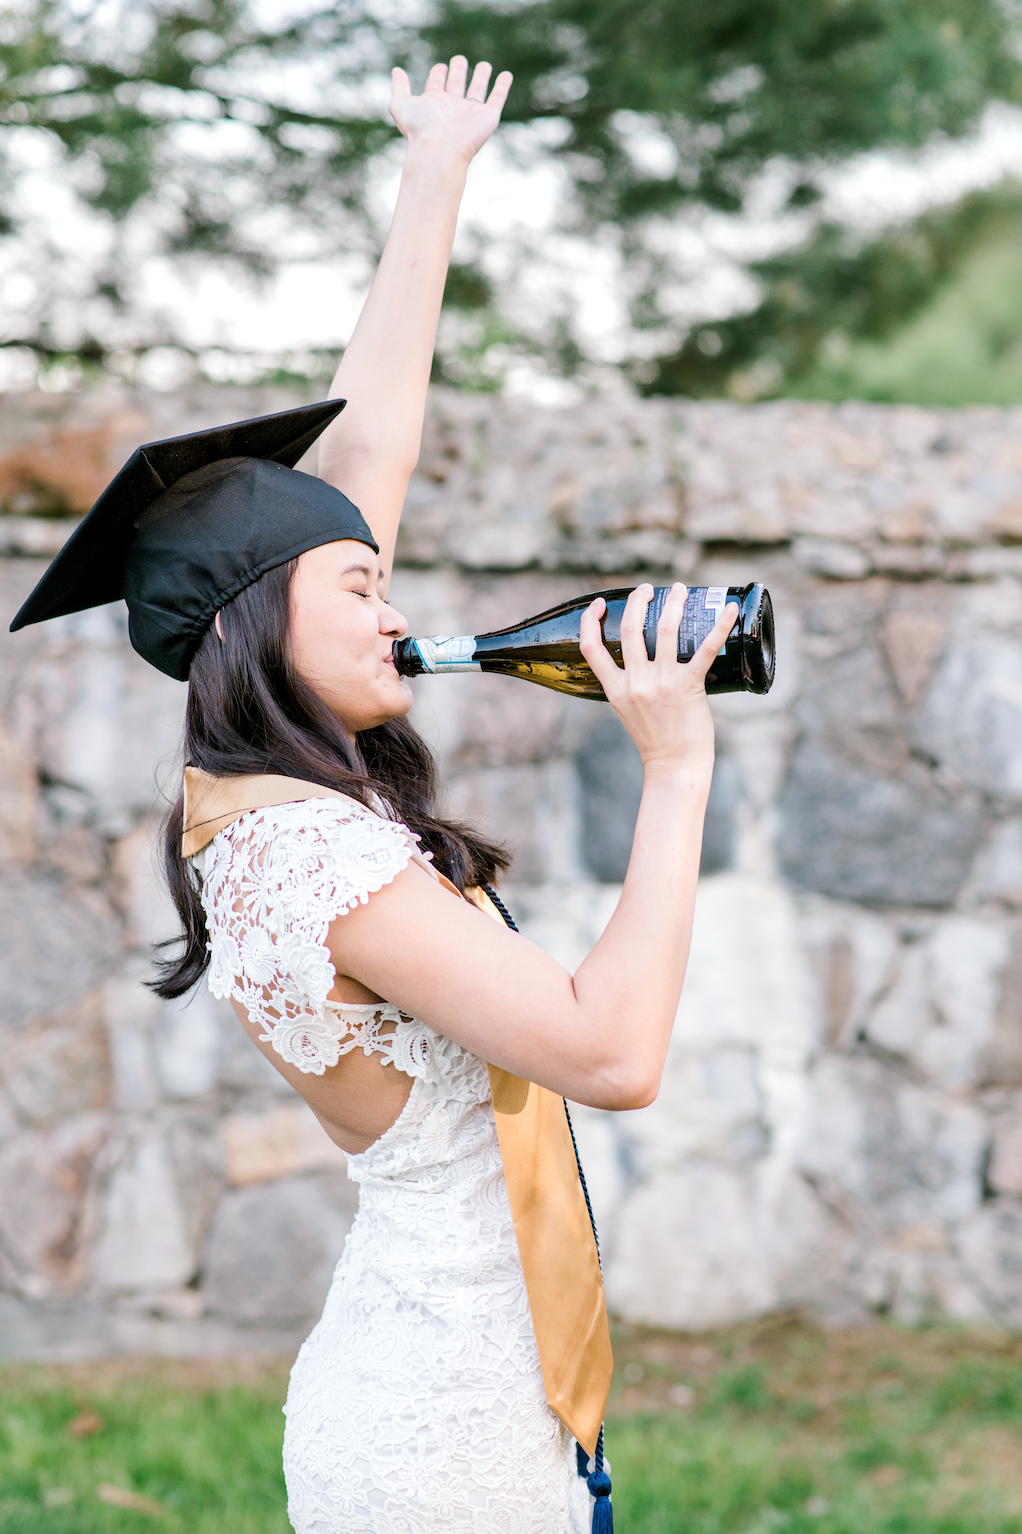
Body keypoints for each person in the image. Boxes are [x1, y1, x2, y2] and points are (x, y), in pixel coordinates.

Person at [11, 53, 738, 1534]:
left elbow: (368, 451)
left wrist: (436, 172)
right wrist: (676, 764)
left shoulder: (261, 795)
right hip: (440, 1439)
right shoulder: (308, 854)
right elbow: (608, 1052)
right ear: (259, 619)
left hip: (480, 1387)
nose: (390, 605)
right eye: (361, 584)